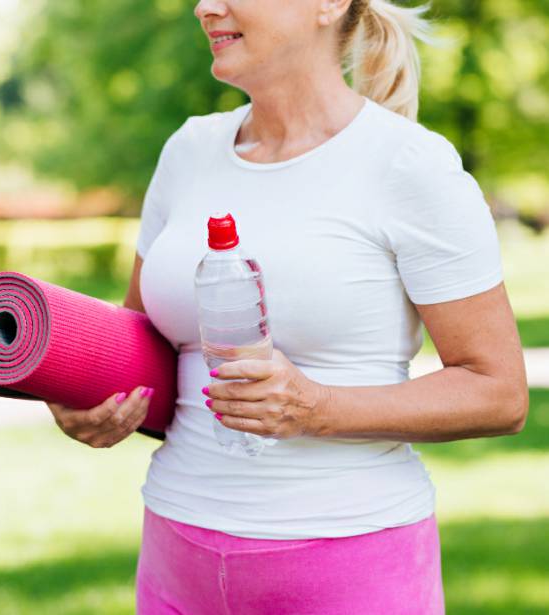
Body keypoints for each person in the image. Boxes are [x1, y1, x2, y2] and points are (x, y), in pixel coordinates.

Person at [46, 0, 529, 612]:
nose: (204, 7)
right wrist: (93, 396)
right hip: (176, 547)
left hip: (347, 559)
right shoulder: (189, 150)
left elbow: (499, 392)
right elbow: (145, 351)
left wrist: (317, 408)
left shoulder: (409, 164)